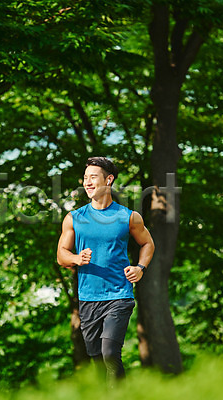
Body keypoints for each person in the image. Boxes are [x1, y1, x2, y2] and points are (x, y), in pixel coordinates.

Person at [56, 156, 155, 381]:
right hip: (89, 297)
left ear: (109, 180)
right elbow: (61, 255)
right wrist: (76, 258)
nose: (87, 183)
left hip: (119, 295)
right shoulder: (74, 218)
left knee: (110, 352)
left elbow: (148, 243)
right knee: (98, 362)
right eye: (85, 178)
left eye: (93, 177)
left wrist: (140, 267)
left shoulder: (128, 216)